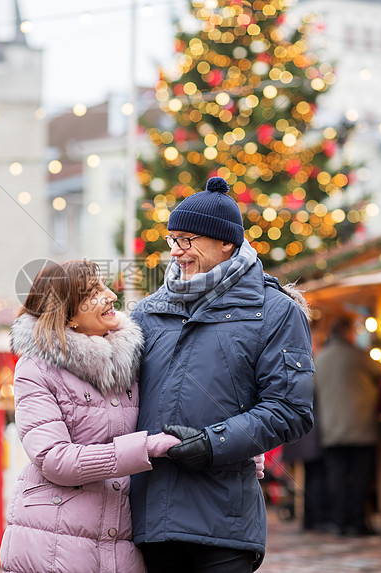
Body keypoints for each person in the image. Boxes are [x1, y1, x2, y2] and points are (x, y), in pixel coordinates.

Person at [130, 177, 315, 572]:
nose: (177, 252)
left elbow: (291, 409)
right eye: (172, 240)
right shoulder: (147, 313)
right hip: (150, 519)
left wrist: (212, 444)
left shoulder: (276, 311)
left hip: (224, 521)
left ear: (226, 243)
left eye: (187, 240)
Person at [0, 260, 181, 573]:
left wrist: (231, 447)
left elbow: (176, 406)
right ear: (68, 316)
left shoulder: (130, 360)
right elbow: (55, 459)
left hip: (119, 537)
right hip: (54, 540)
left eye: (104, 286)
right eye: (93, 293)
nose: (110, 295)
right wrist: (145, 448)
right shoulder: (36, 368)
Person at [314, 316, 381, 537]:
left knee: (336, 477)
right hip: (361, 428)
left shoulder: (319, 360)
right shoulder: (359, 356)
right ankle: (358, 522)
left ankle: (339, 522)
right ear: (348, 333)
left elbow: (310, 392)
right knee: (360, 478)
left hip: (331, 430)